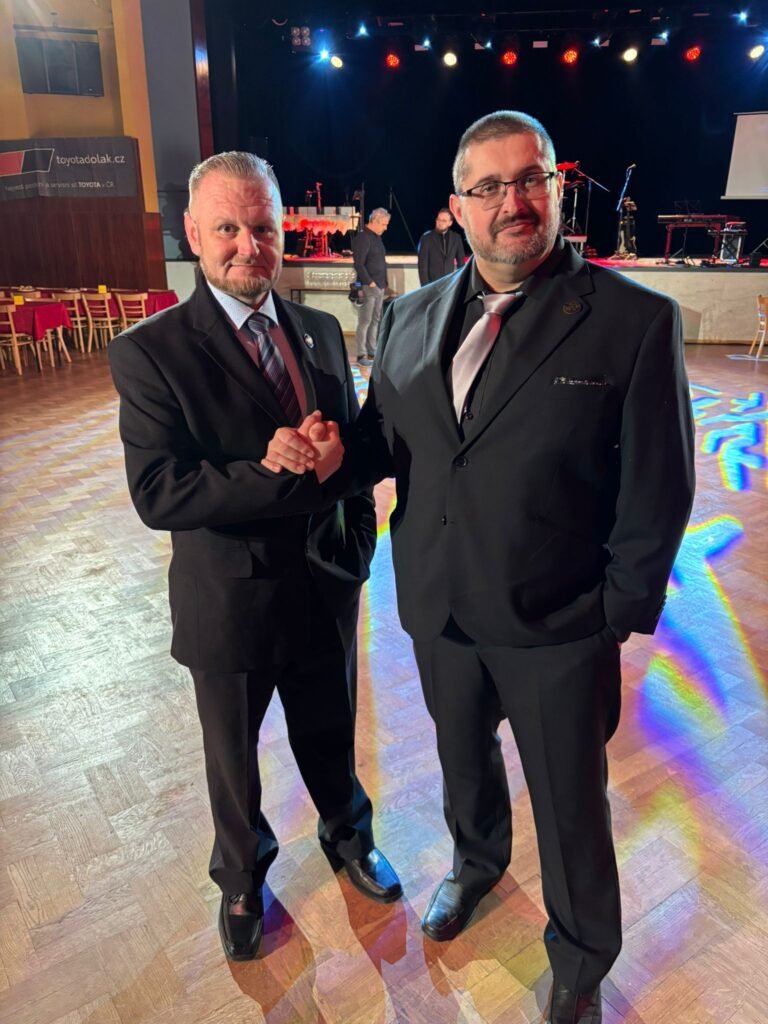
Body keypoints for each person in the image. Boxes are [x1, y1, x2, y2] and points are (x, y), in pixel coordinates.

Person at [262, 111, 695, 1023]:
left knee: (571, 807)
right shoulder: (412, 316)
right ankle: (477, 862)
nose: (513, 202)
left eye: (530, 179)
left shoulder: (632, 321)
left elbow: (660, 484)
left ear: (555, 189)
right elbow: (388, 441)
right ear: (457, 207)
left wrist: (613, 615)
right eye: (489, 187)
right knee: (463, 764)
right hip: (440, 608)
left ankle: (582, 955)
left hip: (561, 624)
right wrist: (338, 454)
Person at [108, 152, 401, 964]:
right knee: (233, 760)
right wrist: (270, 472)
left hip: (325, 584)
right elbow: (158, 492)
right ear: (193, 233)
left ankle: (347, 834)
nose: (249, 246)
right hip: (229, 602)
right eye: (228, 229)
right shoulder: (152, 351)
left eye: (264, 228)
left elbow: (352, 452)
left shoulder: (320, 330)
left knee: (332, 730)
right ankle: (241, 877)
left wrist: (352, 511)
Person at [351, 207, 390, 365]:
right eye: (384, 224)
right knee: (365, 321)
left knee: (375, 320)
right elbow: (359, 264)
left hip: (379, 285)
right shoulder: (363, 238)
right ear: (374, 221)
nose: (385, 228)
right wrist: (370, 282)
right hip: (369, 287)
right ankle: (361, 355)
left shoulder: (376, 237)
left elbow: (379, 261)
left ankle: (372, 350)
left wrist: (383, 283)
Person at [417, 207, 465, 285]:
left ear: (450, 223)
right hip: (432, 284)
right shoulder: (426, 238)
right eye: (438, 220)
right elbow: (422, 266)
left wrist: (460, 283)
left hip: (450, 283)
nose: (440, 223)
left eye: (444, 221)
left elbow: (461, 263)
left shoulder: (456, 238)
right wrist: (426, 287)